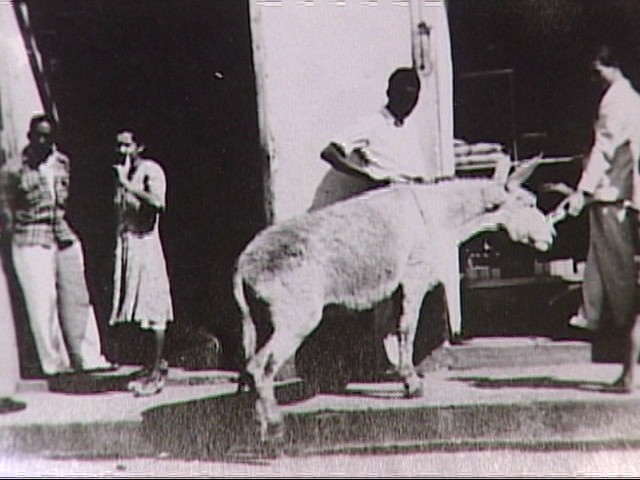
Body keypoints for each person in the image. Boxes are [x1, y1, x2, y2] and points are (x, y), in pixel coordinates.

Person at [0, 113, 116, 377]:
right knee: (43, 303)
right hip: (31, 238)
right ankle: (54, 364)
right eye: (38, 136)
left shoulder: (61, 163)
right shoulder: (13, 171)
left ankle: (89, 357)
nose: (43, 141)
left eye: (48, 137)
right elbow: (6, 212)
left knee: (78, 297)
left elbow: (65, 201)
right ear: (29, 137)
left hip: (61, 234)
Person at [566, 44, 640, 392]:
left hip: (612, 197)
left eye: (597, 71)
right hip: (613, 195)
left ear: (611, 66)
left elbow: (604, 150)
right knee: (603, 266)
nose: (594, 79)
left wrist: (581, 191)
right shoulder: (627, 98)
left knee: (618, 274)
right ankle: (593, 317)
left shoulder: (617, 101)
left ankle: (627, 356)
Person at [109, 130, 174, 397]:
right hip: (129, 247)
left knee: (153, 309)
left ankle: (156, 373)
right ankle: (151, 366)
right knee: (138, 311)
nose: (122, 150)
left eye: (127, 145)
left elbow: (157, 203)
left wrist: (127, 184)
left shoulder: (151, 170)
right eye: (119, 145)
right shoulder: (124, 173)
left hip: (146, 246)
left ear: (140, 146)